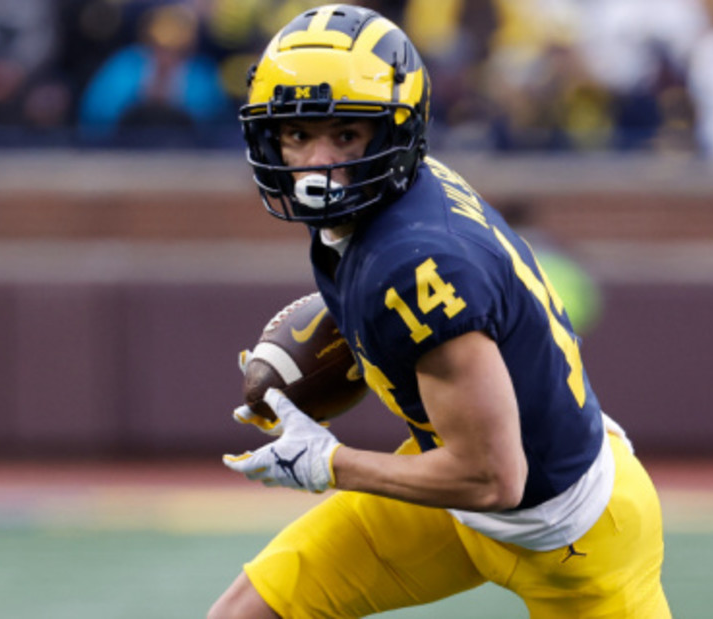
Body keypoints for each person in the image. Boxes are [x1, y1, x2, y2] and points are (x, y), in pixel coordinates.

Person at [211, 5, 669, 618]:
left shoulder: (415, 263)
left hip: (571, 542)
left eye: (345, 134)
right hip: (457, 498)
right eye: (298, 134)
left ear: (393, 133)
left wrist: (328, 463)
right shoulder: (390, 205)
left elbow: (493, 479)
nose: (319, 163)